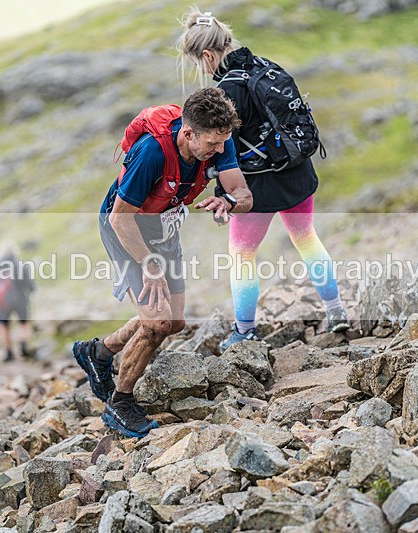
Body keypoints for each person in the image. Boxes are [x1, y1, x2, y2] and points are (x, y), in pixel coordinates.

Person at [72, 87, 253, 438]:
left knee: (174, 322)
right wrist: (150, 266)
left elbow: (244, 194)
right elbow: (120, 219)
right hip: (125, 228)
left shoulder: (220, 140)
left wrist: (229, 201)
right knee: (157, 323)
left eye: (223, 143)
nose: (220, 151)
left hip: (163, 227)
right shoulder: (152, 152)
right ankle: (120, 404)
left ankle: (98, 352)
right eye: (212, 144)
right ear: (188, 133)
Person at [177, 8, 349, 353]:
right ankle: (336, 312)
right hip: (297, 171)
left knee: (242, 255)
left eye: (199, 63)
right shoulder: (264, 66)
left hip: (257, 186)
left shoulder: (226, 91)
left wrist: (223, 193)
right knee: (307, 240)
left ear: (208, 55)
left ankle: (245, 331)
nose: (203, 70)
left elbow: (223, 149)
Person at [0, 240, 35, 362]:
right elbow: (30, 285)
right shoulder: (20, 265)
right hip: (20, 300)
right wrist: (31, 291)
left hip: (3, 302)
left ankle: (8, 352)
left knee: (4, 325)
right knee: (24, 323)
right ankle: (23, 346)